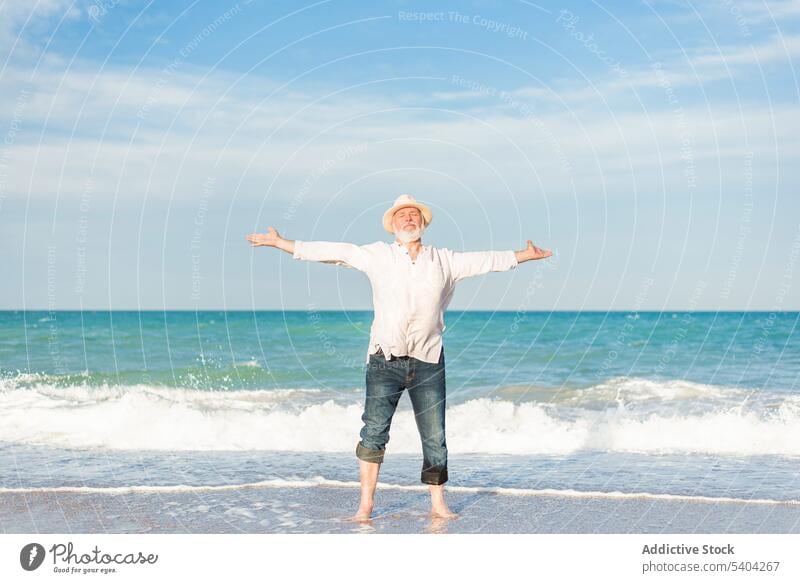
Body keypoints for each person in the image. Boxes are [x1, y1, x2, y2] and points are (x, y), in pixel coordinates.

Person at [246, 194, 552, 521]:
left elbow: (485, 260)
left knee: (435, 436)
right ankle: (365, 506)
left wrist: (523, 256)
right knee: (374, 432)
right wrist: (282, 243)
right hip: (384, 360)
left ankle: (438, 505)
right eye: (402, 216)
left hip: (428, 359)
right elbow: (335, 251)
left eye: (413, 215)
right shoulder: (377, 255)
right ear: (392, 225)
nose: (408, 219)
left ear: (422, 223)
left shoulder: (443, 260)